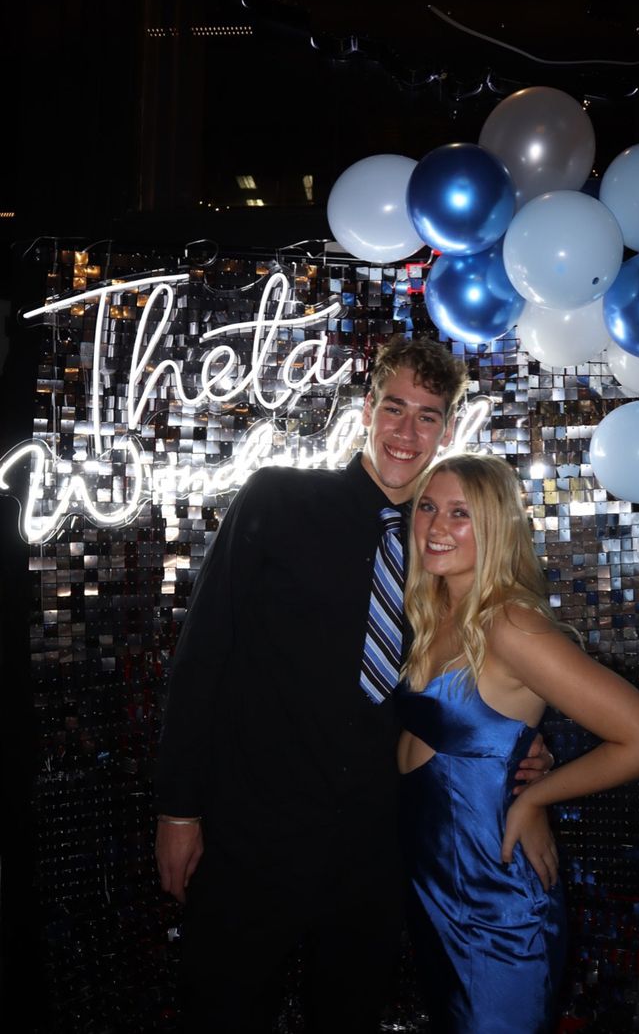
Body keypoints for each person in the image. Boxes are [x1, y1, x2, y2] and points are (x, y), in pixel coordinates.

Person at [154, 335, 553, 1033]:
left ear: (449, 429)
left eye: (427, 416)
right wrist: (179, 809)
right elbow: (201, 659)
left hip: (376, 845)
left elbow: (491, 666)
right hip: (254, 833)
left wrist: (525, 749)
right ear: (365, 409)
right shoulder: (276, 500)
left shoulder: (446, 543)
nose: (407, 431)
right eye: (393, 408)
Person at [396, 454, 639, 1034]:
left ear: (496, 527)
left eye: (460, 513)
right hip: (436, 886)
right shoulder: (436, 612)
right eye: (428, 507)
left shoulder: (511, 626)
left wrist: (534, 799)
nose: (436, 526)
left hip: (493, 898)